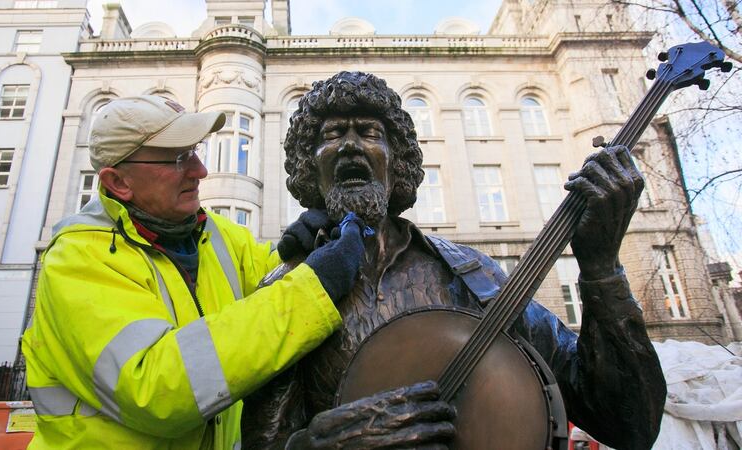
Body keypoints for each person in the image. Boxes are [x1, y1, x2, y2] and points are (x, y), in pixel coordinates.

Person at [241, 71, 667, 449]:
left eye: (369, 132)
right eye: (332, 134)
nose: (351, 146)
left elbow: (626, 423)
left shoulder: (471, 274)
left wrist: (600, 268)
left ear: (397, 160)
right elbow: (260, 440)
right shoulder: (284, 291)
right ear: (308, 165)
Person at [21, 95, 372, 449]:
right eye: (178, 158)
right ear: (119, 183)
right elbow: (159, 387)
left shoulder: (213, 233)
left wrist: (296, 254)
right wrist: (315, 287)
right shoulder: (78, 262)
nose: (200, 170)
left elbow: (269, 282)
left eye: (194, 150)